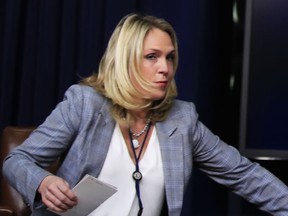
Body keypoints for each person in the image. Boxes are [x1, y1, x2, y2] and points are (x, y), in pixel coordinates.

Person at [2, 13, 288, 216]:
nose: (165, 67)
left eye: (170, 57)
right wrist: (43, 181)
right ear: (126, 60)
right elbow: (17, 160)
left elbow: (244, 175)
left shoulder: (182, 119)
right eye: (152, 57)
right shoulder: (84, 103)